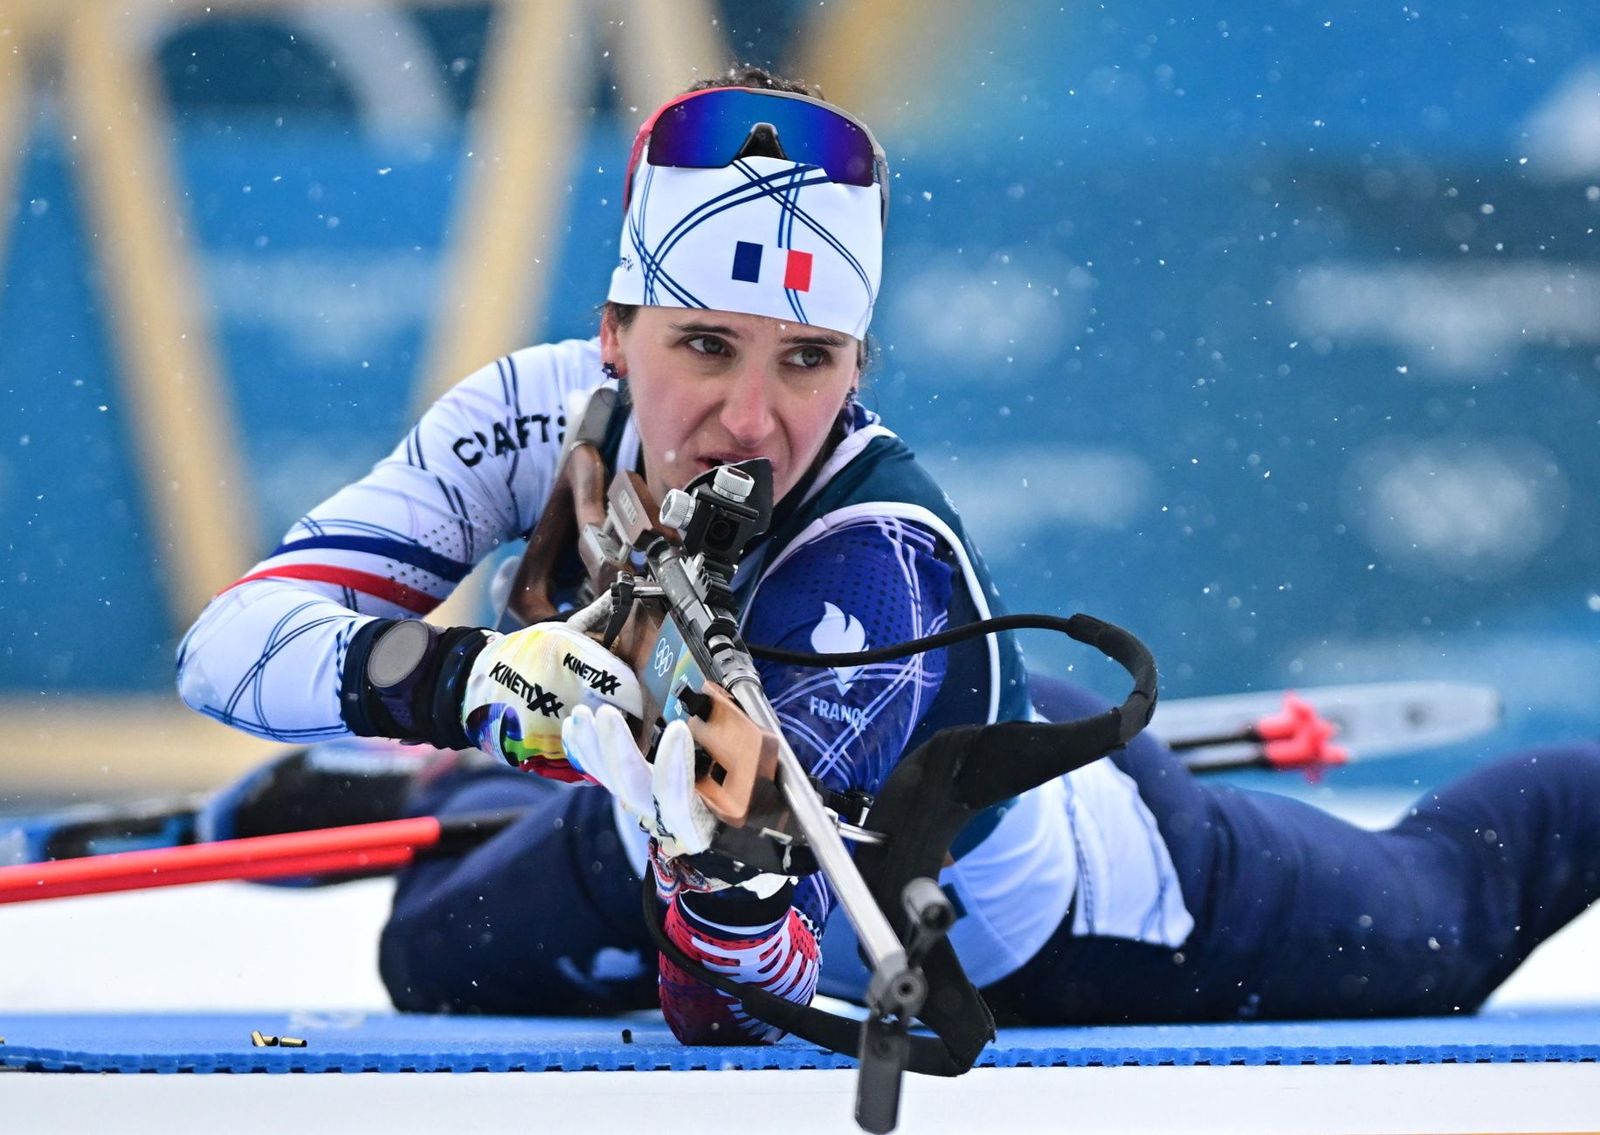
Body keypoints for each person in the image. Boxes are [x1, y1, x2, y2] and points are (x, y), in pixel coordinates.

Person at [177, 65, 1600, 1041]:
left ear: (859, 364)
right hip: (643, 809)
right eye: (704, 347)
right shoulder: (534, 415)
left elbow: (748, 998)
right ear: (614, 332)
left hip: (1074, 917)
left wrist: (727, 886)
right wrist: (465, 688)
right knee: (431, 965)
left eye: (807, 360)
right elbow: (226, 646)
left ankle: (473, 793)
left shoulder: (876, 573)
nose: (750, 417)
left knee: (1450, 920)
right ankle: (439, 784)